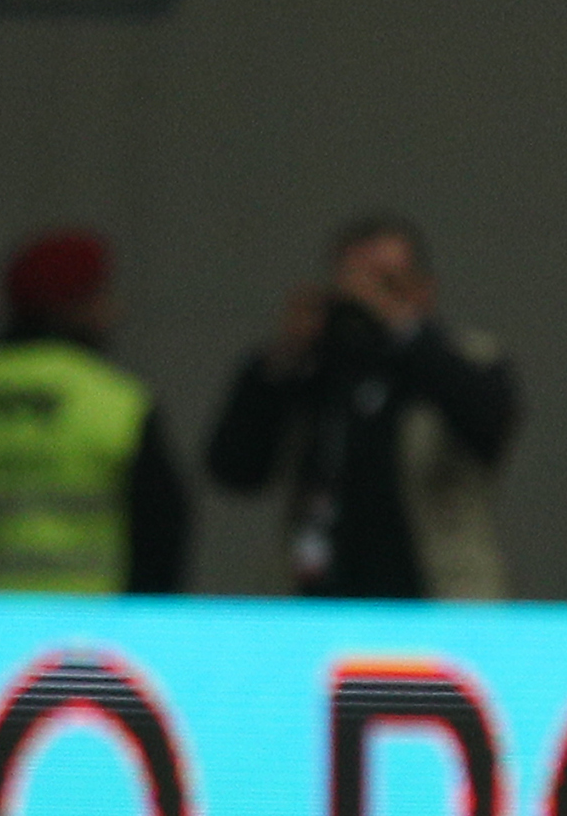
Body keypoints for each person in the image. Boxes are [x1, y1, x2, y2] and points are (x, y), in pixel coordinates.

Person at [205, 214, 518, 598]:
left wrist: (403, 329)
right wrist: (283, 359)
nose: (365, 297)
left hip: (435, 597)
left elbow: (487, 431)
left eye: (386, 282)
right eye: (352, 282)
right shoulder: (315, 366)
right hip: (319, 598)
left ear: (424, 289)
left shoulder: (464, 358)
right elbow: (235, 468)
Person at [0, 230, 190, 593]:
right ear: (73, 304)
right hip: (83, 633)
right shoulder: (112, 402)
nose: (115, 310)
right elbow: (163, 532)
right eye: (102, 295)